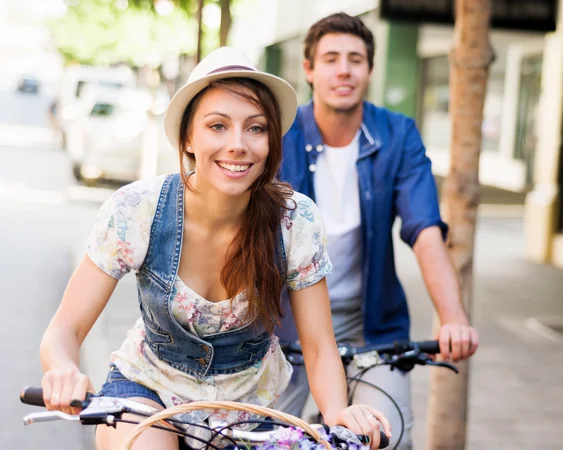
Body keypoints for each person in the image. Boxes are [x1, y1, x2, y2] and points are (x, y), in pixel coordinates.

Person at [38, 47, 391, 450]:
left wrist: (337, 412)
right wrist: (63, 369)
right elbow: (64, 329)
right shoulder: (138, 210)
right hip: (147, 392)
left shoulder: (295, 220)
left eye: (256, 128)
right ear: (188, 137)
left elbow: (318, 344)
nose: (238, 144)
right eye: (217, 126)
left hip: (249, 410)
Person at [274, 13, 479, 449]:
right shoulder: (279, 134)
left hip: (371, 325)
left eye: (356, 59)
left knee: (385, 437)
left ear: (370, 69)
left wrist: (453, 316)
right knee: (262, 439)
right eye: (330, 59)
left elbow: (425, 230)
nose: (344, 69)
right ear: (309, 70)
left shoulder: (398, 134)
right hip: (284, 323)